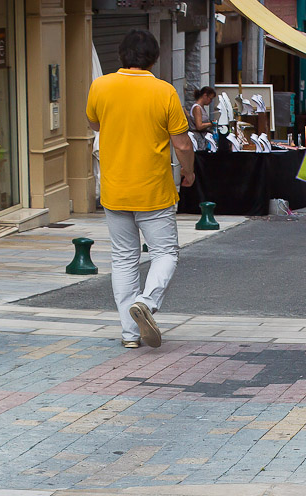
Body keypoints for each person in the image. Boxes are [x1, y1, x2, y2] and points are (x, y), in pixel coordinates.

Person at [86, 30, 195, 349]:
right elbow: (182, 142)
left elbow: (94, 124)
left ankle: (129, 334)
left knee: (123, 259)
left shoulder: (100, 86)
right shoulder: (164, 92)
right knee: (165, 253)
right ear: (154, 58)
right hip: (153, 191)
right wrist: (189, 171)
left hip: (114, 188)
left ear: (120, 55)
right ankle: (147, 302)